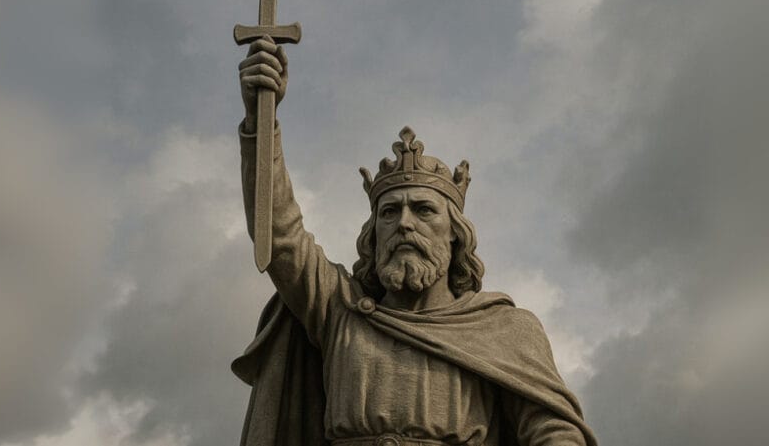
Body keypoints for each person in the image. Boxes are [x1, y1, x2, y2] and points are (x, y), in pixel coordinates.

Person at [233, 36, 597, 446]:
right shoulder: (340, 309)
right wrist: (260, 122)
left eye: (423, 210)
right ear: (373, 234)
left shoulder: (504, 328)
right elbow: (280, 235)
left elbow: (553, 429)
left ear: (456, 234)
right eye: (389, 212)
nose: (404, 224)